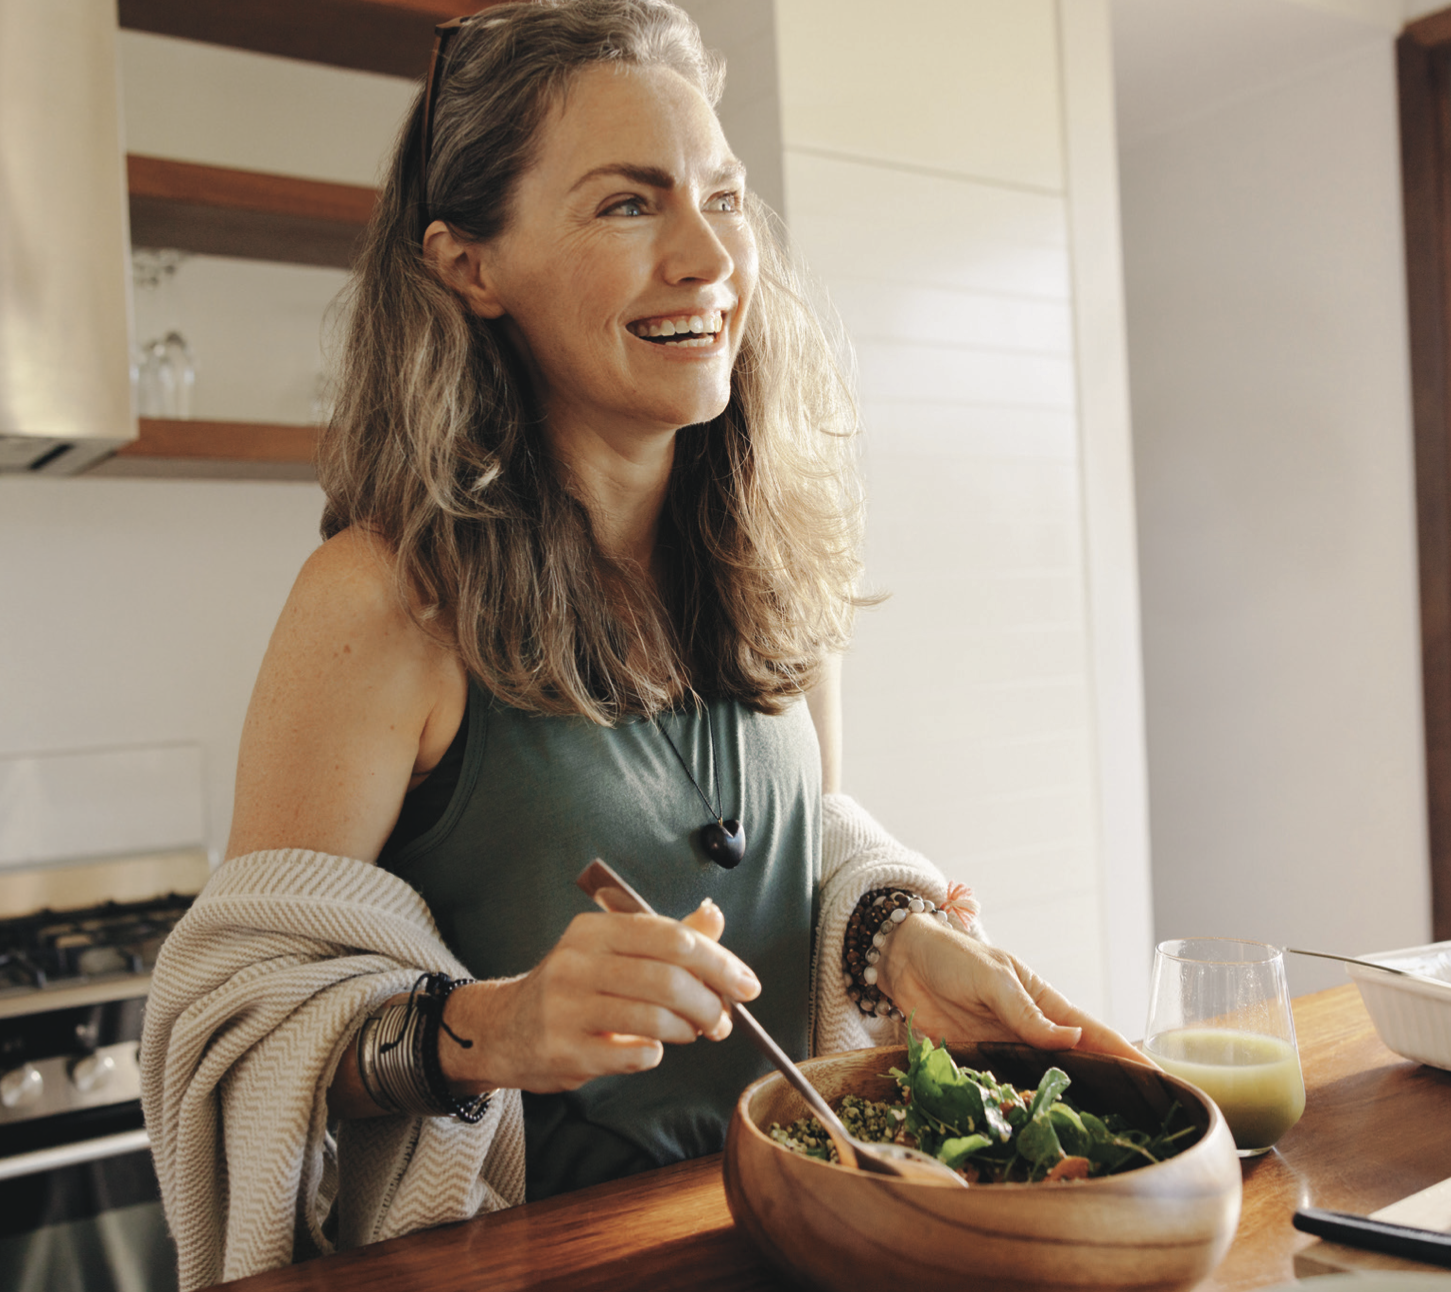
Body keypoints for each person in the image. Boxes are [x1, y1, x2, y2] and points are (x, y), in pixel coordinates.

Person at [141, 1, 1143, 1286]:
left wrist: (898, 937)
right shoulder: (380, 599)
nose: (707, 258)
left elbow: (807, 830)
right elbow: (239, 1018)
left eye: (721, 197)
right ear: (469, 267)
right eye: (627, 205)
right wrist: (486, 1027)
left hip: (810, 1232)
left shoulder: (775, 562)